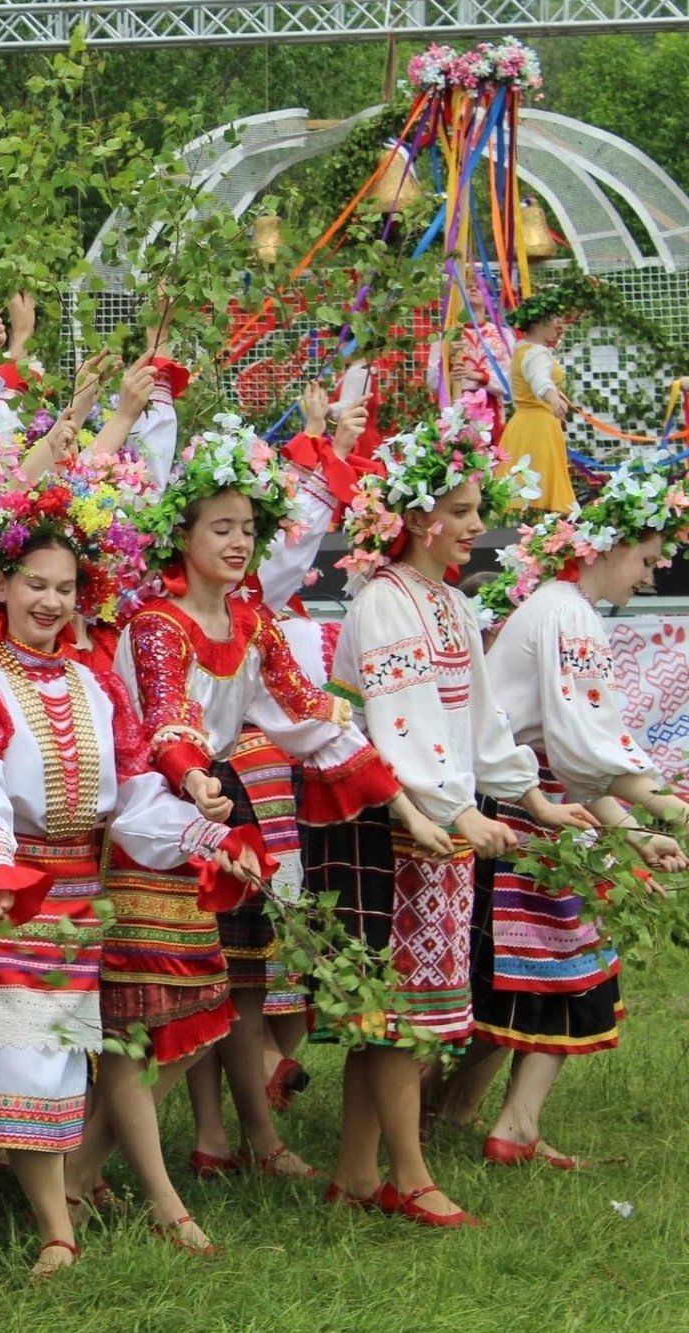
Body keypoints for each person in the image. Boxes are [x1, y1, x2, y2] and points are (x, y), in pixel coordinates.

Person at [0, 479, 258, 1277]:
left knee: (34, 1051)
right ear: (0, 586)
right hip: (0, 886)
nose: (49, 599)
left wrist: (209, 835)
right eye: (33, 582)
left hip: (75, 892)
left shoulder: (97, 685)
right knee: (24, 1052)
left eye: (65, 586)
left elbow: (137, 797)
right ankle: (56, 1232)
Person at [118, 419, 420, 1188]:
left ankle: (239, 1135)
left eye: (247, 527)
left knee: (244, 973)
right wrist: (193, 778)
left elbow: (306, 712)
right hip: (160, 804)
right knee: (186, 994)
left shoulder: (251, 622)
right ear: (180, 536)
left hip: (224, 799)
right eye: (220, 527)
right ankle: (113, 1160)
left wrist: (403, 804)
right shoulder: (158, 622)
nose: (238, 541)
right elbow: (164, 720)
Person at [318, 407, 595, 1227]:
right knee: (397, 1009)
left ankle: (356, 1172)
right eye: (466, 511)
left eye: (478, 510)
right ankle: (410, 1175)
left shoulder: (446, 601)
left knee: (392, 1009)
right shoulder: (387, 601)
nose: (478, 525)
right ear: (416, 518)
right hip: (391, 818)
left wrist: (533, 795)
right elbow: (396, 720)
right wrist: (456, 808)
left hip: (436, 817)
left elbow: (479, 720)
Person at [433, 461, 689, 1163]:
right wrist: (664, 809)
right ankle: (506, 1125)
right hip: (521, 801)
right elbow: (583, 748)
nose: (649, 578)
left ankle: (465, 1111)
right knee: (555, 962)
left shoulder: (558, 605)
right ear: (605, 547)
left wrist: (638, 831)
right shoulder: (567, 613)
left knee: (526, 965)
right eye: (644, 560)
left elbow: (576, 752)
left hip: (529, 793)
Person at [501, 284, 586, 514]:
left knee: (526, 486)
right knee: (537, 487)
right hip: (537, 428)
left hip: (523, 424)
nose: (559, 322)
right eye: (553, 317)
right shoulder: (536, 353)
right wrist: (553, 399)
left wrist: (556, 398)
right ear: (538, 323)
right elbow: (540, 380)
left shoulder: (523, 349)